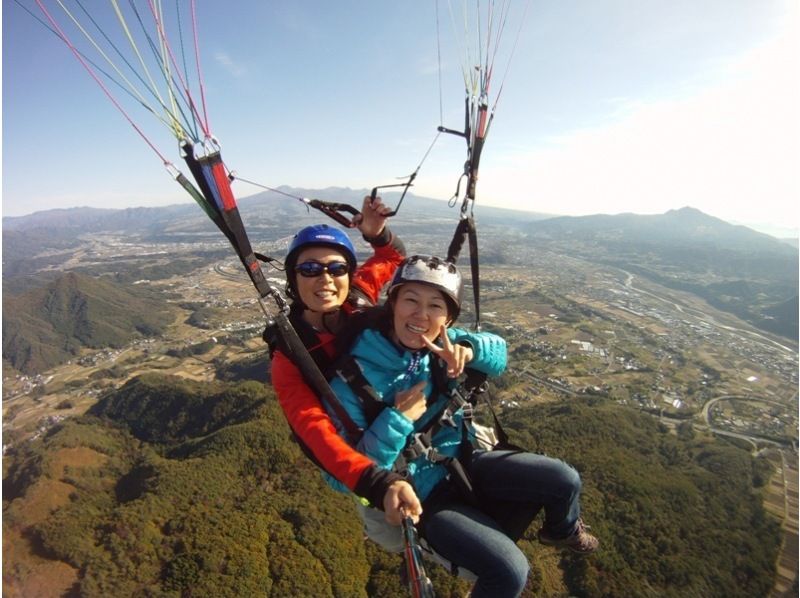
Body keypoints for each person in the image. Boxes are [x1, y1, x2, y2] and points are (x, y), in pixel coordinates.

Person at [321, 255, 599, 597]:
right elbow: (337, 476)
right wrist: (397, 419)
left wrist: (468, 350)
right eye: (410, 300)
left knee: (564, 480)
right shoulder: (353, 379)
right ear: (392, 304)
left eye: (435, 306)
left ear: (448, 319)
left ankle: (561, 530)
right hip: (422, 496)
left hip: (464, 461)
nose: (421, 314)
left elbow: (499, 353)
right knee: (511, 573)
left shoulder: (444, 344)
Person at [268, 196, 423, 525]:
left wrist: (376, 233)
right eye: (309, 269)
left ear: (349, 275)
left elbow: (393, 257)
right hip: (363, 456)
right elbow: (315, 430)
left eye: (336, 268)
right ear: (293, 281)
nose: (325, 278)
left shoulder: (359, 298)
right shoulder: (290, 355)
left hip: (410, 430)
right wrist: (375, 481)